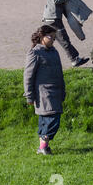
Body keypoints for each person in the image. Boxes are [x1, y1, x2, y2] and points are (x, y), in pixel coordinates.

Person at [23, 25, 65, 155]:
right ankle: (43, 145)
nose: (53, 40)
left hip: (56, 91)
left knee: (47, 120)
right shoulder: (35, 53)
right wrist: (29, 96)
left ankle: (43, 147)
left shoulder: (54, 52)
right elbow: (28, 76)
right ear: (41, 37)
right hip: (43, 93)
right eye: (50, 37)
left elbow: (59, 72)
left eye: (54, 37)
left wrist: (63, 89)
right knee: (52, 118)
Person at [42, 0, 89, 67]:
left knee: (51, 39)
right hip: (53, 18)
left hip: (51, 18)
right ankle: (75, 60)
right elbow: (56, 0)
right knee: (64, 39)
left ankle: (43, 58)